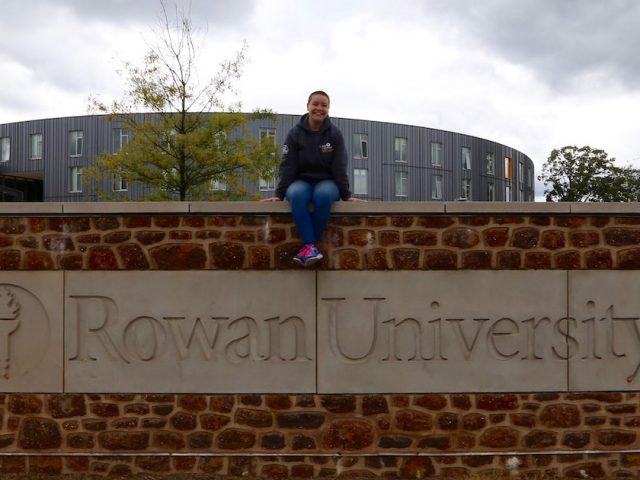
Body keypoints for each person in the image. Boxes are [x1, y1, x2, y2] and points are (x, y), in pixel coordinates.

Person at [262, 90, 360, 266]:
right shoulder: (295, 134)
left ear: (328, 108)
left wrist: (346, 195)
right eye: (315, 104)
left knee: (322, 196)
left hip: (327, 182)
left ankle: (308, 247)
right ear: (308, 106)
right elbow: (288, 165)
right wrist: (279, 194)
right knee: (298, 195)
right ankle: (311, 246)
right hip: (302, 181)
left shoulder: (334, 135)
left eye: (324, 105)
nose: (319, 108)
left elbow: (339, 167)